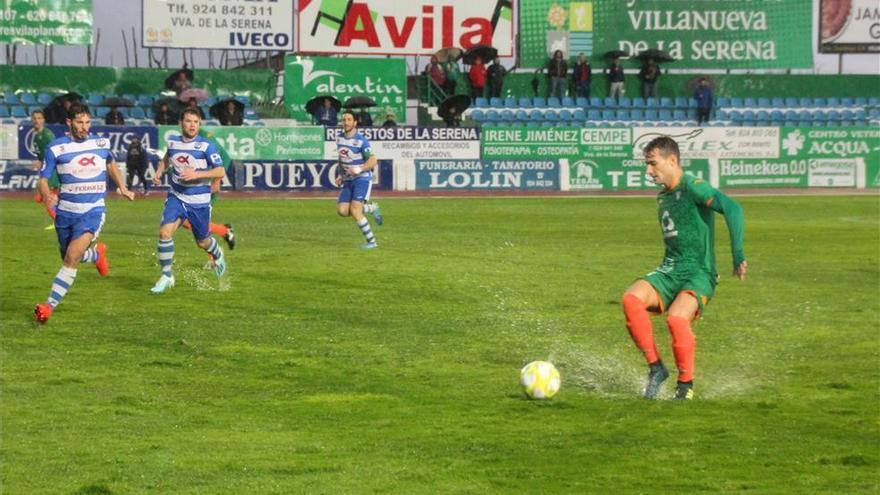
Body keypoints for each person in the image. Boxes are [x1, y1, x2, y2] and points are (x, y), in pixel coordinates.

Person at [621, 136, 746, 400]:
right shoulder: (663, 196)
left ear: (672, 161)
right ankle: (656, 369)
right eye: (646, 164)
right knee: (631, 300)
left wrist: (738, 255)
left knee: (677, 319)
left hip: (699, 273)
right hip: (670, 270)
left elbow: (733, 208)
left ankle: (685, 386)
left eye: (653, 164)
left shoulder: (693, 187)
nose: (648, 171)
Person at [33, 104, 136, 323]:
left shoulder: (100, 143)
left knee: (71, 257)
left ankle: (48, 306)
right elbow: (43, 179)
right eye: (79, 122)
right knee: (69, 256)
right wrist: (47, 195)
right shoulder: (56, 148)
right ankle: (97, 255)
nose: (84, 127)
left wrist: (123, 187)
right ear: (69, 123)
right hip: (65, 213)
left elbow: (111, 165)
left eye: (88, 122)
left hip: (92, 211)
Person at [149, 108, 228, 294]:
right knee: (164, 232)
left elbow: (220, 171)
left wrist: (197, 174)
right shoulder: (173, 142)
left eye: (196, 122)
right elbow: (167, 158)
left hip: (198, 201)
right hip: (176, 196)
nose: (192, 125)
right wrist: (160, 172)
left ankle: (217, 254)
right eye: (188, 121)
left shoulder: (206, 146)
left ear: (199, 124)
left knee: (202, 242)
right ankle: (167, 276)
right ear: (181, 123)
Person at [335, 110, 383, 249]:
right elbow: (341, 159)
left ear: (355, 122)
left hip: (362, 179)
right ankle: (371, 208)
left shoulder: (362, 141)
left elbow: (373, 161)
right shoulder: (339, 139)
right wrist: (340, 174)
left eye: (349, 120)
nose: (346, 122)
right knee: (342, 211)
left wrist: (358, 169)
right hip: (348, 180)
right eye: (344, 120)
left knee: (355, 211)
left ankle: (372, 242)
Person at [29, 110, 58, 223]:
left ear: (43, 120)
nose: (37, 120)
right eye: (35, 118)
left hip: (52, 170)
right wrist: (40, 162)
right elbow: (42, 156)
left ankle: (58, 221)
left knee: (47, 197)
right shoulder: (37, 137)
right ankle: (59, 218)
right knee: (43, 197)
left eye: (39, 118)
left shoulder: (47, 135)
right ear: (32, 120)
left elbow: (55, 152)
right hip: (46, 170)